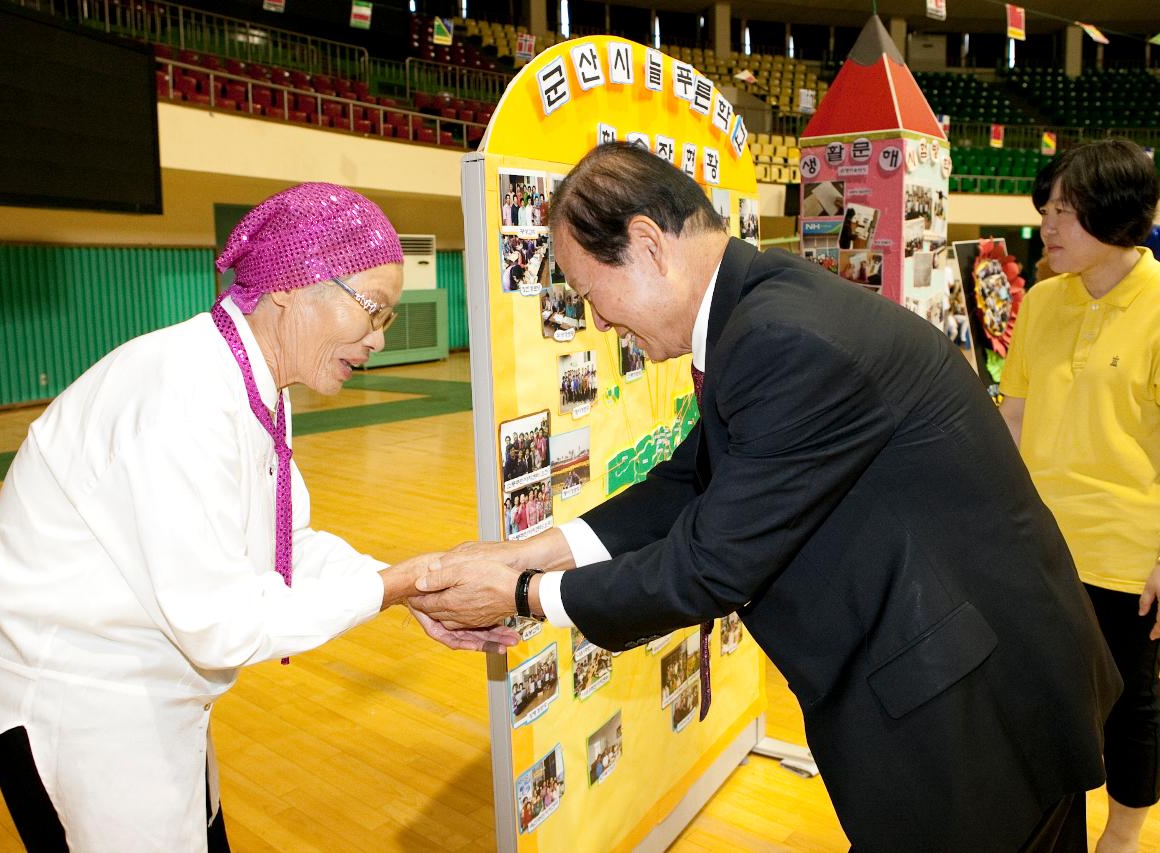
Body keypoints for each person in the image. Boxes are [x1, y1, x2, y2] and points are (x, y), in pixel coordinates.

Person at [411, 142, 1122, 852]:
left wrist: (523, 593)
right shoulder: (759, 307)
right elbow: (688, 481)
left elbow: (709, 566)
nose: (596, 322)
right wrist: (521, 552)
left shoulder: (780, 335)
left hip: (974, 703)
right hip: (957, 670)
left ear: (648, 245)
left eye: (591, 293)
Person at [0, 183, 515, 851]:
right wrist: (396, 585)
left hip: (144, 690)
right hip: (78, 703)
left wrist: (407, 581)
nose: (379, 339)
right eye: (375, 311)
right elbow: (221, 623)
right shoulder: (181, 396)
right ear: (294, 285)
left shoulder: (249, 377)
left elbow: (283, 542)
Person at [998, 139, 1160, 853]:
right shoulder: (1041, 300)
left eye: (1066, 212)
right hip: (1040, 545)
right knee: (1040, 697)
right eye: (1047, 210)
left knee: (1129, 708)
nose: (1048, 227)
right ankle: (1055, 827)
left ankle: (1123, 835)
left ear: (1118, 215)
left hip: (1128, 556)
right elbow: (1014, 415)